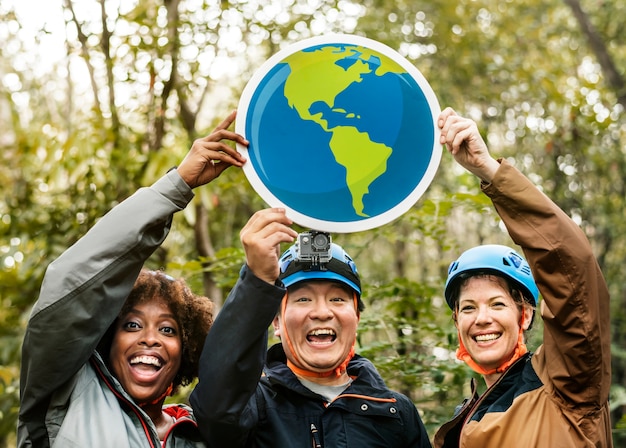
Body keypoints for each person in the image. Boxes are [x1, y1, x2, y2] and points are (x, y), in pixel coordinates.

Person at [18, 112, 249, 447]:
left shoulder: (200, 434)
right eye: (131, 325)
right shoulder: (66, 398)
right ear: (107, 340)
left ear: (186, 351)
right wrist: (176, 186)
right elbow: (71, 281)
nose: (150, 339)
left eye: (167, 329)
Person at [433, 108, 612, 447]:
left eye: (497, 304)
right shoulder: (462, 420)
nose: (482, 319)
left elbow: (572, 269)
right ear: (457, 321)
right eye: (468, 308)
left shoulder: (565, 384)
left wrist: (490, 172)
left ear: (525, 314)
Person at [189, 215, 432, 447]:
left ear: (356, 318)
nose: (322, 312)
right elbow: (216, 410)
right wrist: (258, 281)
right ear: (276, 322)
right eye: (303, 299)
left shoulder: (396, 412)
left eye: (337, 299)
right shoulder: (253, 405)